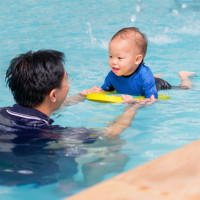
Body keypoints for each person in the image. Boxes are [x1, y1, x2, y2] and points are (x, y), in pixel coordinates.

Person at [0, 50, 143, 186]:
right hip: (34, 178)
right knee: (116, 146)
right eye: (67, 79)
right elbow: (111, 132)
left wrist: (80, 97)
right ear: (54, 95)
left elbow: (48, 105)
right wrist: (131, 108)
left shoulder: (3, 112)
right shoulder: (53, 134)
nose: (68, 84)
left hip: (5, 171)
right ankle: (89, 176)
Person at [81, 27, 195, 103]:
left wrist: (135, 103)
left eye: (119, 58)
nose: (113, 62)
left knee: (183, 88)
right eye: (111, 56)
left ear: (137, 59)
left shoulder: (145, 77)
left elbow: (152, 99)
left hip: (158, 85)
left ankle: (184, 76)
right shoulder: (113, 74)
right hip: (141, 78)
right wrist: (93, 91)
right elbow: (105, 91)